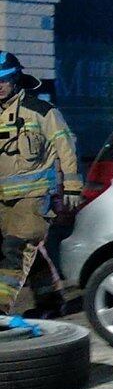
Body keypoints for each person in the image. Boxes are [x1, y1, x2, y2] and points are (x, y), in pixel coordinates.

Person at [0, 52, 82, 319]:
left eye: (4, 80)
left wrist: (71, 187)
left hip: (34, 197)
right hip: (3, 198)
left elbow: (66, 148)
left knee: (16, 249)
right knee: (29, 254)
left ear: (16, 80)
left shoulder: (42, 112)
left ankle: (1, 309)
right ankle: (50, 301)